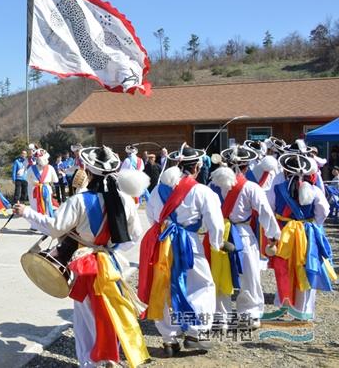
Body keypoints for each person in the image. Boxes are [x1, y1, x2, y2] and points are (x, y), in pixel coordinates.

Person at [14, 146, 150, 368]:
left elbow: (55, 227)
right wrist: (111, 250)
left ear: (87, 170)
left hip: (85, 264)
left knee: (86, 317)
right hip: (111, 263)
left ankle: (93, 362)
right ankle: (108, 358)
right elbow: (134, 236)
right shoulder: (125, 200)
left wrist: (27, 212)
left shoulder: (79, 201)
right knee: (108, 310)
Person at [139, 143, 225, 356]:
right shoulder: (201, 191)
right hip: (190, 243)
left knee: (165, 287)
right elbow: (215, 223)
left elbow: (152, 217)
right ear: (196, 167)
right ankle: (195, 332)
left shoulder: (159, 190)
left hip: (163, 243)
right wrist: (217, 243)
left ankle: (169, 340)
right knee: (202, 285)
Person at [207, 146, 281, 330]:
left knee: (218, 274)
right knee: (250, 275)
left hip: (217, 235)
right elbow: (265, 212)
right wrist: (273, 236)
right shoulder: (250, 187)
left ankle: (220, 317)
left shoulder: (212, 185)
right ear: (246, 167)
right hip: (243, 234)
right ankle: (250, 315)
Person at [266, 153, 336, 320]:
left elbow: (269, 209)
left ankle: (283, 307)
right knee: (305, 268)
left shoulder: (277, 189)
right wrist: (312, 224)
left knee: (284, 269)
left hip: (285, 235)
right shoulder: (315, 190)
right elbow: (323, 211)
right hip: (307, 234)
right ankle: (303, 312)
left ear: (286, 170)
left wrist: (276, 231)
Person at [26, 148, 59, 217]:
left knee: (35, 206)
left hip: (35, 189)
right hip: (46, 189)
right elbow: (56, 180)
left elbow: (28, 179)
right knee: (47, 206)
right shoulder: (50, 168)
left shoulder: (31, 168)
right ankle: (47, 221)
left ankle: (36, 224)